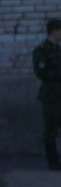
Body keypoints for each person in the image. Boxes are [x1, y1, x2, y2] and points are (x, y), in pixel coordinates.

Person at [32, 18, 61, 169]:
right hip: (51, 94)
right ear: (54, 31)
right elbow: (41, 73)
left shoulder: (58, 50)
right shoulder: (41, 51)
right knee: (51, 128)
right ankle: (53, 162)